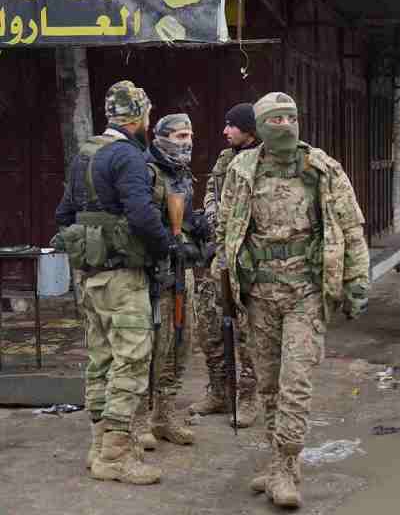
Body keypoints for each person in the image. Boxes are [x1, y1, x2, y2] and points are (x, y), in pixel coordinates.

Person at [217, 92, 369, 508]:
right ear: (260, 127)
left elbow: (351, 228)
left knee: (295, 382)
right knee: (268, 385)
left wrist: (357, 282)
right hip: (259, 295)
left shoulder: (321, 167)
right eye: (275, 119)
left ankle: (286, 466)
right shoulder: (242, 169)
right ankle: (276, 462)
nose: (284, 125)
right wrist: (223, 282)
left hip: (306, 292)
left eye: (290, 117)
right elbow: (227, 228)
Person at [54, 80, 174, 485]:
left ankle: (98, 446)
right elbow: (142, 215)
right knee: (132, 361)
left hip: (91, 278)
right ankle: (116, 456)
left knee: (101, 361)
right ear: (139, 117)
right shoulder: (128, 156)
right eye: (148, 115)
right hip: (124, 278)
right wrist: (164, 247)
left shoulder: (85, 154)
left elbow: (63, 214)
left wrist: (93, 243)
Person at [133, 113, 206, 451]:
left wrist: (196, 229)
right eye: (180, 136)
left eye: (189, 135)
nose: (187, 142)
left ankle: (165, 415)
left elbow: (184, 217)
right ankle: (139, 419)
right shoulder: (147, 171)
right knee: (151, 348)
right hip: (155, 273)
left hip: (181, 270)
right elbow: (140, 219)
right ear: (161, 138)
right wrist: (167, 241)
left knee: (181, 342)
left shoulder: (182, 173)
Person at [190, 103, 261, 428]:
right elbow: (211, 191)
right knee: (208, 325)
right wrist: (211, 215)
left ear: (249, 129)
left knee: (246, 332)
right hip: (216, 254)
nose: (225, 131)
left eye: (232, 125)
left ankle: (248, 397)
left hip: (246, 257)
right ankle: (219, 391)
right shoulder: (224, 158)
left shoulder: (263, 160)